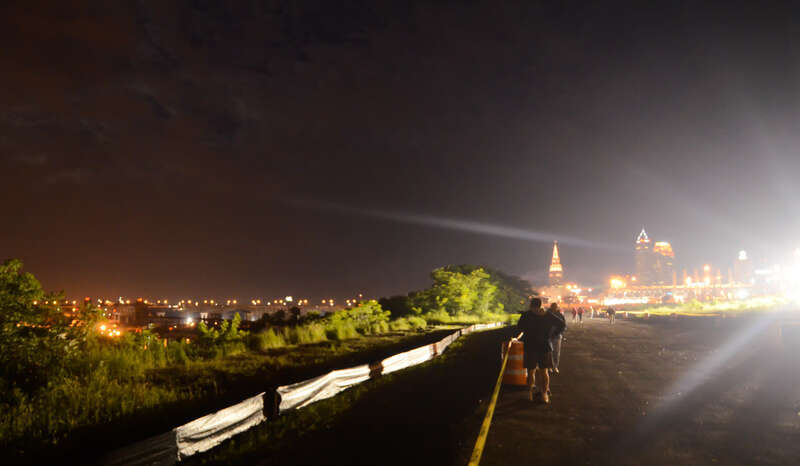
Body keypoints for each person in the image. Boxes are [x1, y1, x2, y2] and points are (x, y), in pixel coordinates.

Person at [514, 297, 567, 403]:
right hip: (544, 345)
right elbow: (562, 324)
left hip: (532, 346)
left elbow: (519, 328)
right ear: (540, 305)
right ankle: (542, 394)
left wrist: (519, 335)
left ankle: (533, 394)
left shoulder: (526, 315)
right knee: (542, 371)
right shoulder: (547, 315)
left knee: (533, 371)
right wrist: (553, 334)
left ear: (531, 306)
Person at [547, 303, 566, 375]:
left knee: (556, 353)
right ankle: (550, 367)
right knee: (550, 352)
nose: (555, 308)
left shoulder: (560, 315)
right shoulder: (548, 315)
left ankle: (554, 366)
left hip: (556, 336)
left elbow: (563, 326)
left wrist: (557, 333)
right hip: (549, 336)